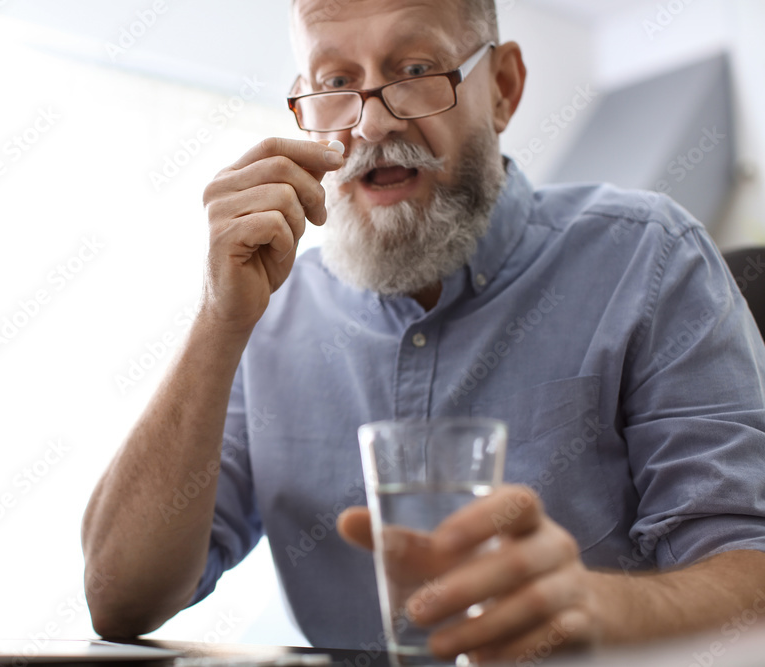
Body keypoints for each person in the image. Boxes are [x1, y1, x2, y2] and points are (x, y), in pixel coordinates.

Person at [81, 0, 765, 662]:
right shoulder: (269, 308)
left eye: (413, 71)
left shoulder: (648, 259)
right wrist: (216, 320)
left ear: (501, 88)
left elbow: (752, 576)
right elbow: (119, 598)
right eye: (337, 83)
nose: (373, 123)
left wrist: (594, 610)